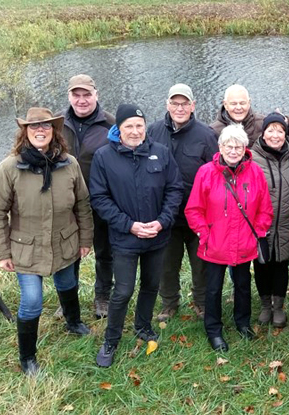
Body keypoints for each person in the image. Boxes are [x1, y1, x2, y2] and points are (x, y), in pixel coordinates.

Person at [0, 107, 93, 376]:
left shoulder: (69, 164)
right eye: (34, 127)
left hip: (65, 241)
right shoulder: (9, 168)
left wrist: (85, 238)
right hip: (26, 247)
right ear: (25, 132)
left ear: (54, 131)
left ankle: (73, 322)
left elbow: (82, 204)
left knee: (68, 283)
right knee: (32, 301)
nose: (40, 131)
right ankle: (28, 358)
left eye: (46, 126)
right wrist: (2, 252)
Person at [90, 104, 184, 367]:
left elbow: (174, 190)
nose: (134, 131)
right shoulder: (103, 157)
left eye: (139, 126)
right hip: (125, 238)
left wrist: (162, 222)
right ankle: (111, 340)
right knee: (122, 291)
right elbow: (99, 198)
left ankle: (143, 326)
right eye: (128, 126)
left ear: (145, 127)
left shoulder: (160, 153)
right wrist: (129, 225)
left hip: (157, 237)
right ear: (118, 129)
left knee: (151, 285)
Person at [185, 124, 273, 352]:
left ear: (245, 148)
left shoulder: (255, 172)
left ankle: (243, 323)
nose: (233, 151)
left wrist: (258, 233)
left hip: (244, 242)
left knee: (243, 285)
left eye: (238, 146)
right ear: (220, 147)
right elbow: (193, 209)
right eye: (229, 146)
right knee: (212, 288)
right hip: (215, 243)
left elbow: (265, 209)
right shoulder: (206, 172)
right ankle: (213, 329)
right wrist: (205, 235)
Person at [148, 83, 219, 321]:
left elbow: (216, 173)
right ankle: (169, 303)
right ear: (167, 104)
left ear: (193, 105)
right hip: (165, 215)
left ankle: (201, 302)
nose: (180, 108)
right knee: (167, 264)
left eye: (184, 103)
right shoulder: (153, 131)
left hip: (198, 215)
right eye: (175, 103)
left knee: (201, 264)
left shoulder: (206, 134)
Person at [59, 74, 116, 319]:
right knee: (69, 252)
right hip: (68, 203)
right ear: (69, 96)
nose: (82, 100)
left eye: (87, 95)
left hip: (101, 200)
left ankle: (102, 297)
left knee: (104, 252)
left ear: (96, 95)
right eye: (76, 95)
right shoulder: (57, 124)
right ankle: (68, 299)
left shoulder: (111, 124)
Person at [251, 112, 289, 327]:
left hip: (286, 221)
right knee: (262, 263)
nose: (275, 135)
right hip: (260, 222)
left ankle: (278, 307)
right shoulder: (253, 155)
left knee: (281, 264)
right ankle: (264, 306)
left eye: (280, 130)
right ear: (263, 132)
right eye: (270, 130)